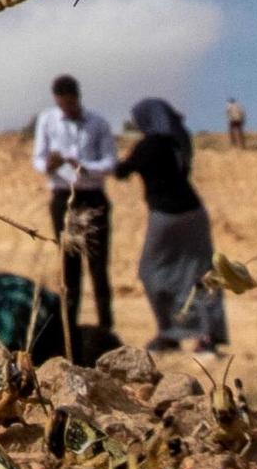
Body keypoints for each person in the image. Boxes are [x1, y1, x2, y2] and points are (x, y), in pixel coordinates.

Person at [116, 98, 227, 353]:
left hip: (166, 217)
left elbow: (121, 171)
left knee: (152, 271)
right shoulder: (179, 141)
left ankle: (170, 333)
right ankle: (207, 338)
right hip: (194, 214)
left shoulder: (148, 146)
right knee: (200, 274)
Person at [32, 73, 116, 350]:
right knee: (69, 267)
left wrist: (81, 164)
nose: (66, 108)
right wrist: (51, 165)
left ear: (77, 98)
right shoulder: (48, 120)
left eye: (70, 103)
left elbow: (110, 162)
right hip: (63, 197)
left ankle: (107, 329)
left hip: (92, 196)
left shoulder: (98, 123)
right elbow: (38, 158)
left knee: (98, 265)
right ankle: (68, 334)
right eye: (61, 104)